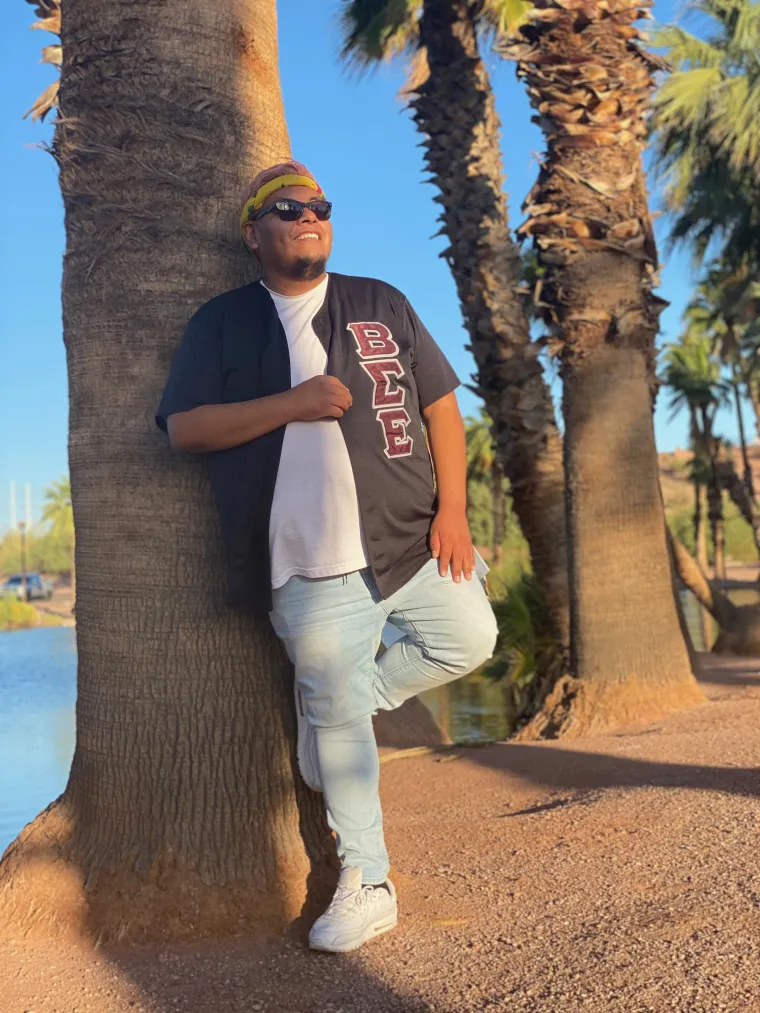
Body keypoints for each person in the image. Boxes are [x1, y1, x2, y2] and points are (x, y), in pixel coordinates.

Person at [156, 160, 498, 953]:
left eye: (318, 206)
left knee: (470, 639)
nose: (307, 216)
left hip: (413, 540)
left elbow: (441, 406)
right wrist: (294, 406)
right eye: (286, 208)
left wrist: (455, 509)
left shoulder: (382, 301)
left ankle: (340, 708)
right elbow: (184, 430)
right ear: (254, 232)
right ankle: (369, 879)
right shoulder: (222, 323)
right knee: (340, 718)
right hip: (305, 563)